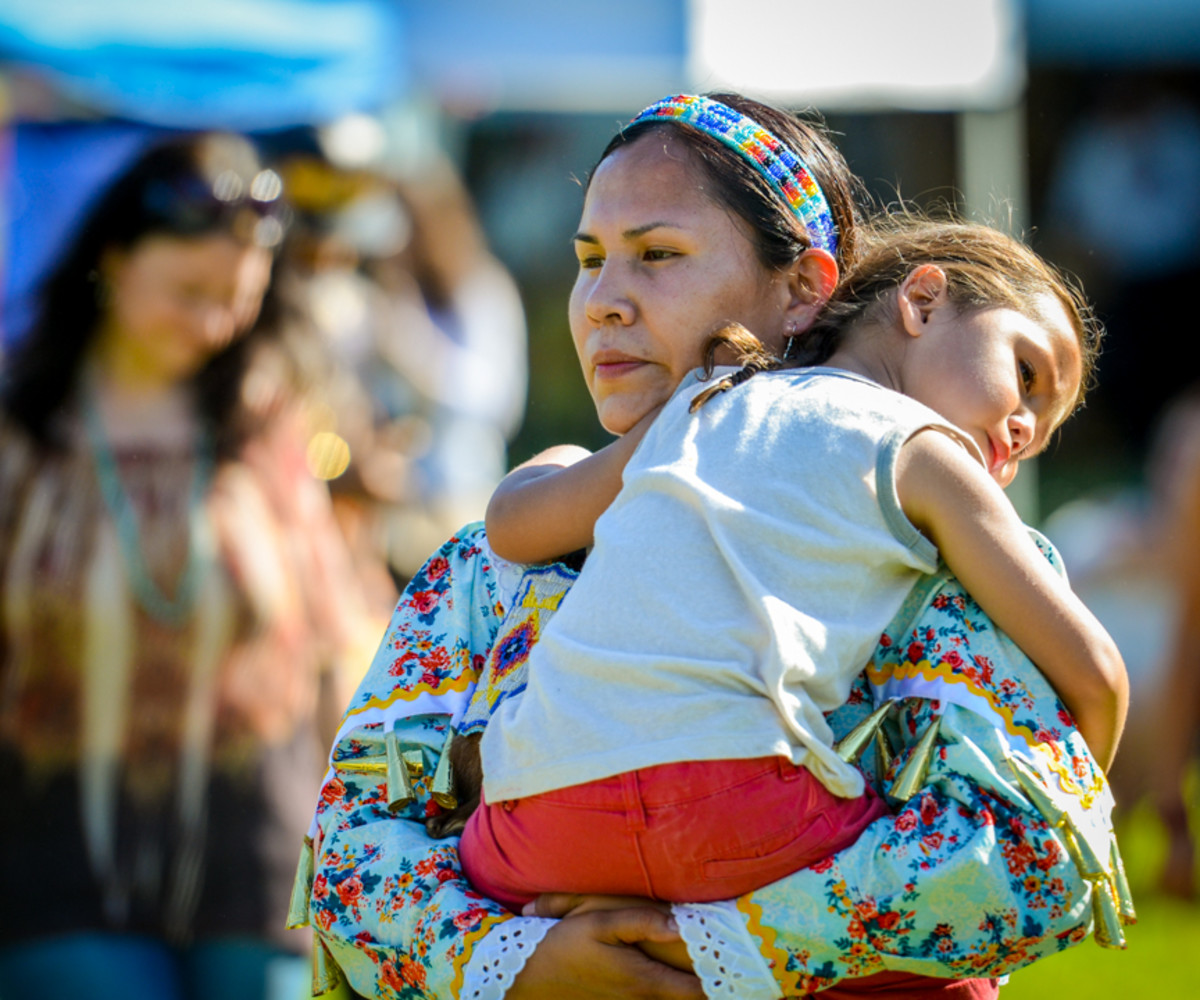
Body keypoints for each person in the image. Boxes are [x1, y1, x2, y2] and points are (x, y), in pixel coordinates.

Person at [295, 95, 1127, 1000]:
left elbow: (1031, 850)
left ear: (805, 286)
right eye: (588, 261)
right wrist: (517, 964)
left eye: (658, 255)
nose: (604, 302)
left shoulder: (946, 555)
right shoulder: (486, 566)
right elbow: (350, 851)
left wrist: (742, 944)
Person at [463, 214, 1125, 912]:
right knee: (938, 948)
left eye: (1039, 437)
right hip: (738, 806)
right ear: (922, 301)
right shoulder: (926, 453)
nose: (1022, 429)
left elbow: (508, 527)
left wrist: (558, 460)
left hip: (527, 818)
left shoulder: (705, 397)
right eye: (1027, 373)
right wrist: (1065, 798)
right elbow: (1098, 675)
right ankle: (686, 929)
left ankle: (623, 910)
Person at [0, 133, 372, 999]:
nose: (212, 325)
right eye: (188, 293)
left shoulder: (268, 424)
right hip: (59, 857)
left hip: (256, 859)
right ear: (114, 261)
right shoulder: (24, 429)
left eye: (236, 300)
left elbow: (337, 637)